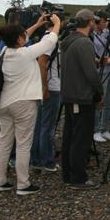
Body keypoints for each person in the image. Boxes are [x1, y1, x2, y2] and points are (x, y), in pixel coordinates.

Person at [0, 13, 60, 195]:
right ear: (20, 40)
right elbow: (50, 41)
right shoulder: (26, 53)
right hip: (24, 103)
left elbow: (23, 36)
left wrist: (37, 24)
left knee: (4, 142)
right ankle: (23, 184)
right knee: (23, 143)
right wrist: (57, 23)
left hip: (5, 103)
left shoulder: (5, 51)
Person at [61, 9, 104, 190]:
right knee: (80, 138)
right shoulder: (84, 43)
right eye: (94, 22)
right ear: (89, 23)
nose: (95, 25)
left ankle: (68, 174)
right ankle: (78, 177)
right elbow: (91, 73)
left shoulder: (67, 41)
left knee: (70, 135)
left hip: (70, 94)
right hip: (82, 96)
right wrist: (99, 92)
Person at [30, 15, 64, 172]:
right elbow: (42, 62)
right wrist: (45, 87)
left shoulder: (44, 38)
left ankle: (36, 158)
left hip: (45, 86)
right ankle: (46, 160)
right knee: (47, 126)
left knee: (39, 125)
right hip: (51, 87)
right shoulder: (50, 41)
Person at [93, 16, 110, 143]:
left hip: (109, 70)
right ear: (98, 22)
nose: (106, 23)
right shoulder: (92, 35)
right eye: (104, 21)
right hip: (99, 71)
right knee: (99, 102)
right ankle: (95, 130)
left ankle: (104, 128)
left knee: (109, 102)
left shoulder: (107, 34)